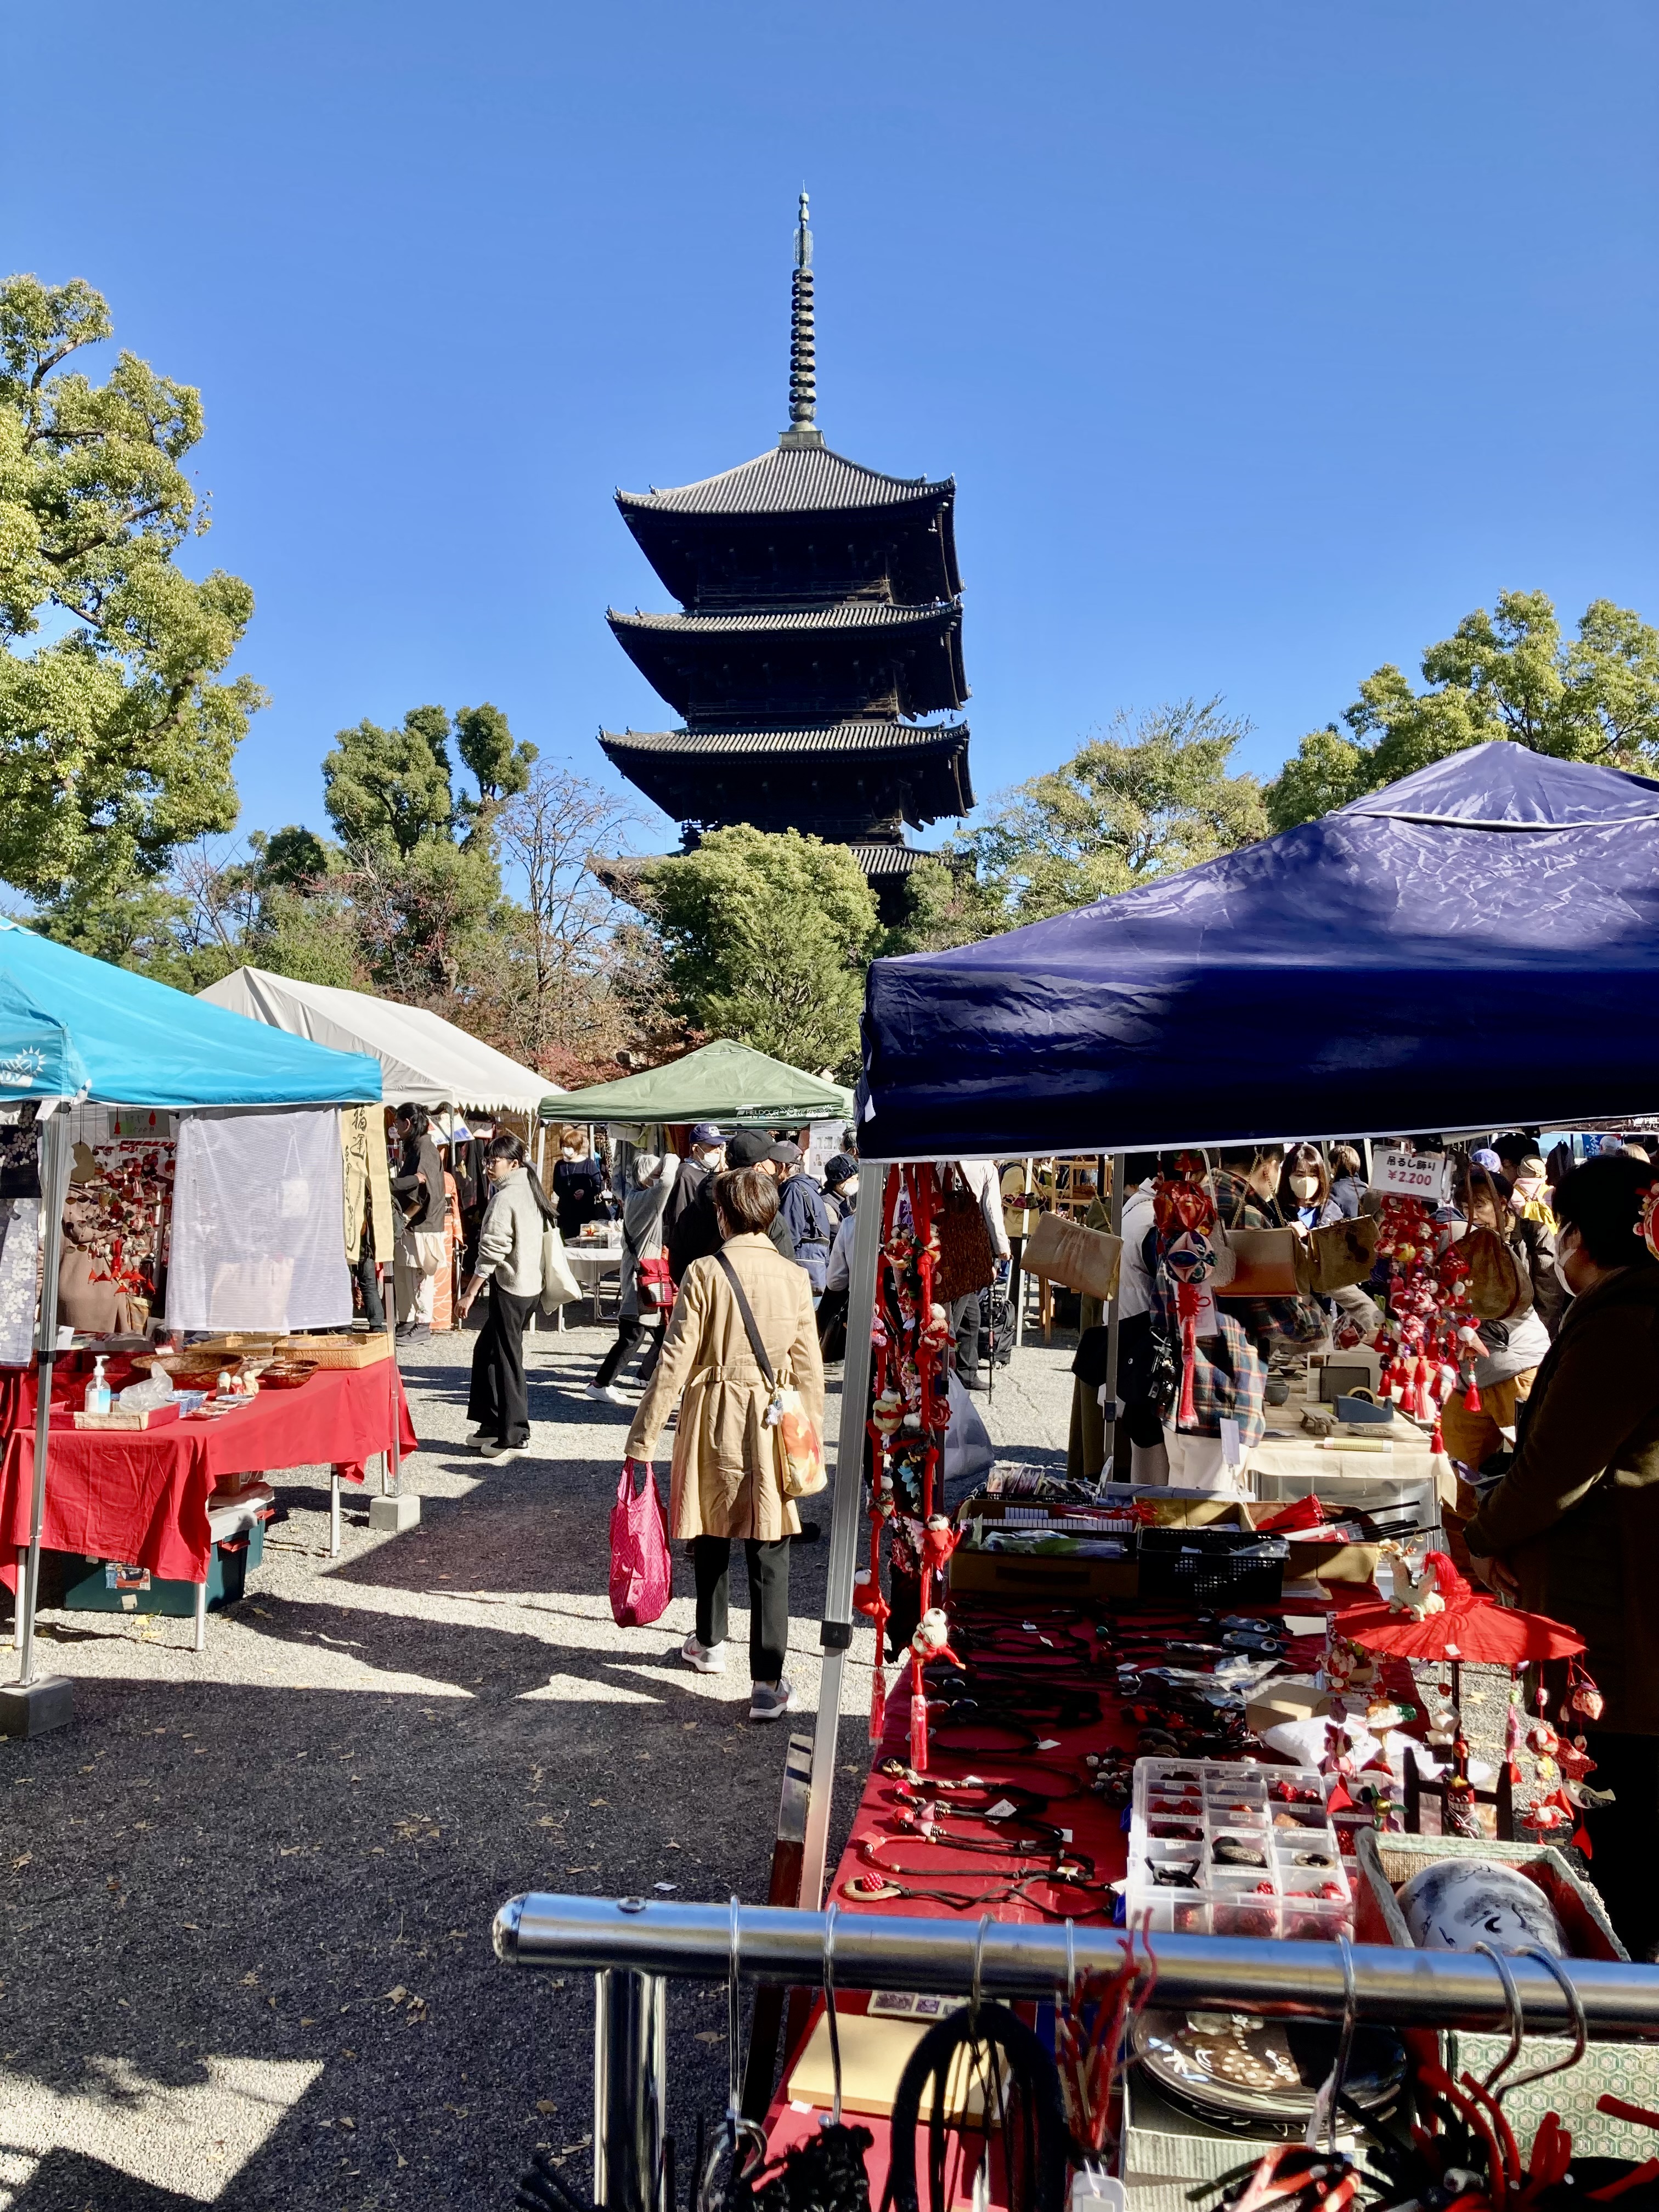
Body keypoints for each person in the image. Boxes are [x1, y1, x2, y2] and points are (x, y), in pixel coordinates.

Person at [1463, 1153, 1659, 1959]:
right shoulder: (1625, 1308)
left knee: (1616, 1790)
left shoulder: (1628, 1319)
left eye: (1563, 1232)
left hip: (1614, 1605)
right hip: (1605, 1593)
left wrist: (1483, 1532)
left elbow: (1558, 1471)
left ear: (1579, 1236)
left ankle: (1626, 1981)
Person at [624, 1167, 823, 1723]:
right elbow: (809, 1369)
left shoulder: (704, 1273)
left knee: (711, 1523)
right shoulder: (792, 1276)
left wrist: (642, 1438)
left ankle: (710, 1642)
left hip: (713, 1410)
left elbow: (673, 1362)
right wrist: (810, 1441)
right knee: (770, 1539)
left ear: (723, 1213)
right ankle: (768, 1681)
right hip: (771, 1414)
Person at [456, 1132, 560, 1462]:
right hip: (528, 1286)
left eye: (494, 1161)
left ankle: (514, 1432)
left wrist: (469, 1294)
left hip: (513, 1287)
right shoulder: (529, 1189)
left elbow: (492, 1251)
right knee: (486, 1350)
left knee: (506, 1359)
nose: (488, 1166)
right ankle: (492, 1423)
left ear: (513, 1163)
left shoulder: (506, 1197)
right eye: (487, 1160)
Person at [588, 1152, 679, 1403]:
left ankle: (659, 1379)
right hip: (642, 1280)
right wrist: (670, 1160)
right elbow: (667, 1183)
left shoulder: (636, 1198)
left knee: (662, 1334)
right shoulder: (645, 1199)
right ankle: (601, 1383)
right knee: (633, 1336)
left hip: (645, 1277)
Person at [668, 1129, 794, 1279]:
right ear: (758, 1168)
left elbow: (677, 1267)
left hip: (703, 1296)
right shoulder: (766, 1215)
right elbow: (787, 1272)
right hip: (752, 1298)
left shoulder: (693, 1210)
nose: (778, 1167)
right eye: (774, 1162)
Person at [944, 1159, 1009, 1391]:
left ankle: (967, 1372)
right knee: (952, 1315)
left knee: (971, 1316)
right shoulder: (986, 1167)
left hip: (940, 1241)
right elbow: (991, 1211)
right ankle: (946, 1371)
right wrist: (1001, 1247)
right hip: (967, 1249)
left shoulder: (940, 1159)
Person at [390, 1104, 448, 1339]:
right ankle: (406, 1321)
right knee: (404, 1277)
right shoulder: (414, 1147)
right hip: (410, 1225)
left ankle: (422, 1324)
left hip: (421, 1225)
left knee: (419, 1276)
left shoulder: (426, 1148)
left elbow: (425, 1191)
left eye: (397, 1122)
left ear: (408, 1123)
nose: (394, 1126)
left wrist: (406, 1216)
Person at [774, 1142, 835, 1297]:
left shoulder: (793, 1189)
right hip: (816, 1273)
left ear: (782, 1167)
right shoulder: (808, 1187)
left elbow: (788, 1237)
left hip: (801, 1275)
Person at [663, 1125, 724, 1248]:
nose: (718, 1151)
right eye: (713, 1146)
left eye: (720, 1146)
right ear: (696, 1149)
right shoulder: (685, 1174)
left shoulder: (710, 1172)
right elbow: (679, 1217)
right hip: (692, 1248)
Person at [552, 1127, 608, 1239]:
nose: (565, 1149)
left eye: (568, 1147)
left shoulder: (589, 1164)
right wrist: (567, 1195)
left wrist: (585, 1192)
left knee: (586, 1242)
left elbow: (599, 1185)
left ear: (576, 1147)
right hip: (565, 1214)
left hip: (586, 1214)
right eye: (563, 1146)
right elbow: (556, 1187)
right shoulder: (560, 1165)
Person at [1277, 1144, 1331, 1229]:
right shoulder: (1275, 1211)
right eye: (1299, 1175)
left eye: (1313, 1175)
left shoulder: (1331, 1210)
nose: (1306, 1181)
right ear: (1287, 1176)